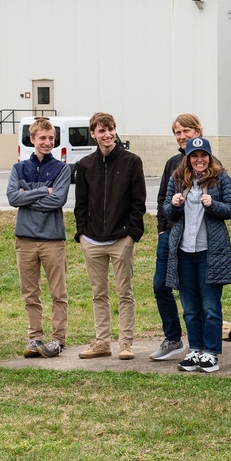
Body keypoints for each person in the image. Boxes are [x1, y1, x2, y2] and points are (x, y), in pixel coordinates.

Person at [73, 112, 146, 360]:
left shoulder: (132, 162)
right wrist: (81, 234)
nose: (107, 134)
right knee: (98, 294)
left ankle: (125, 343)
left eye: (111, 129)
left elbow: (139, 203)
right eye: (102, 130)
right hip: (92, 240)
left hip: (121, 240)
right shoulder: (84, 166)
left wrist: (132, 236)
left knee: (124, 293)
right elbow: (80, 204)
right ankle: (102, 342)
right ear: (93, 133)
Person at [162, 137, 231, 373]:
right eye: (194, 156)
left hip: (210, 252)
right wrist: (174, 204)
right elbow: (167, 212)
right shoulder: (177, 178)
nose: (199, 160)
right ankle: (194, 349)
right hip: (184, 252)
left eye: (203, 155)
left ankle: (211, 352)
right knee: (190, 306)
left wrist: (213, 204)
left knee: (210, 306)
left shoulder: (220, 178)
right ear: (188, 158)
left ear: (209, 157)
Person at [6, 117, 70, 359]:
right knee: (30, 293)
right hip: (25, 240)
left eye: (51, 138)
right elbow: (13, 198)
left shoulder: (62, 169)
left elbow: (59, 199)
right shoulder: (18, 168)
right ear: (32, 139)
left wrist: (28, 194)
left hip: (53, 239)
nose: (47, 142)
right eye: (42, 138)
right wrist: (44, 190)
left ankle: (58, 339)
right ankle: (35, 338)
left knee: (58, 293)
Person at [150, 113, 203, 362]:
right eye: (178, 132)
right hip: (170, 236)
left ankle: (201, 344)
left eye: (186, 131)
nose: (182, 136)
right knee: (161, 286)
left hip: (196, 241)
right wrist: (162, 229)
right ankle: (173, 339)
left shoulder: (209, 163)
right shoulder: (172, 163)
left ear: (197, 132)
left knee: (194, 292)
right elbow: (162, 199)